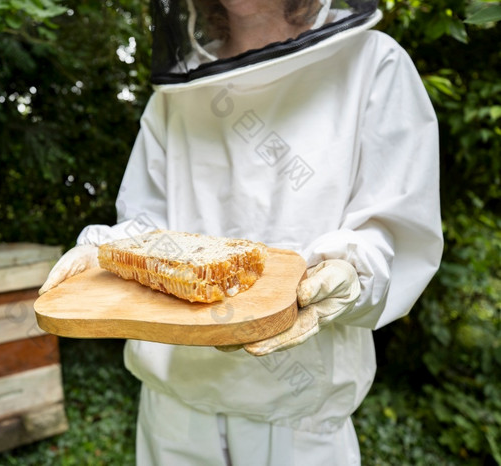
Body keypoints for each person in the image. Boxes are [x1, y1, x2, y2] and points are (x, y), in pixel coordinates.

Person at [40, 0, 444, 463]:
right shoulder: (179, 88)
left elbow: (394, 232)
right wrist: (109, 252)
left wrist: (354, 271)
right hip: (173, 411)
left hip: (299, 423)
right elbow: (148, 223)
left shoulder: (375, 63)